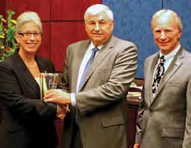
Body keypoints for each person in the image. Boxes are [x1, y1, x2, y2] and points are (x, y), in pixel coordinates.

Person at [44, 4, 138, 148]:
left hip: (104, 135)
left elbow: (115, 89)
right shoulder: (73, 49)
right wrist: (62, 104)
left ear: (111, 25)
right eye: (92, 23)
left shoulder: (125, 49)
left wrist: (70, 98)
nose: (97, 28)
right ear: (85, 26)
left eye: (102, 23)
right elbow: (66, 84)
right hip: (73, 132)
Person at [134, 9, 191, 148]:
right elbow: (144, 106)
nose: (162, 36)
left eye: (168, 31)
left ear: (179, 33)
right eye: (158, 31)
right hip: (146, 141)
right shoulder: (148, 62)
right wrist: (138, 139)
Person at [0, 11, 65, 148]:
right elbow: (18, 103)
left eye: (36, 34)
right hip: (19, 140)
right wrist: (55, 110)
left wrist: (63, 102)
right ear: (17, 37)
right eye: (27, 33)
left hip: (46, 139)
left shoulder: (47, 64)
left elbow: (54, 93)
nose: (32, 38)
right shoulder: (6, 67)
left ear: (41, 37)